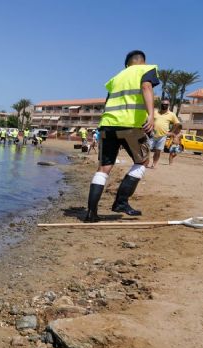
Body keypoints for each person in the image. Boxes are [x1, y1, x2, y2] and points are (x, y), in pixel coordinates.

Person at [84, 50, 159, 222]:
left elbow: (107, 102)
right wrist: (151, 116)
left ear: (127, 64)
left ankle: (91, 213)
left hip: (107, 125)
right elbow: (147, 87)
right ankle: (121, 202)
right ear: (143, 61)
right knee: (142, 162)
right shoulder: (146, 70)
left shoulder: (116, 78)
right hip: (130, 126)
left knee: (103, 168)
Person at [148, 98, 179, 168]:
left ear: (168, 105)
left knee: (158, 151)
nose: (164, 105)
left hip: (162, 136)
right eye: (163, 104)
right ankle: (145, 162)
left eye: (166, 104)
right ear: (160, 104)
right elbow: (149, 119)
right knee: (147, 149)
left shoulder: (171, 114)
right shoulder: (155, 112)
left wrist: (171, 132)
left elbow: (177, 124)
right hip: (152, 135)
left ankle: (154, 164)